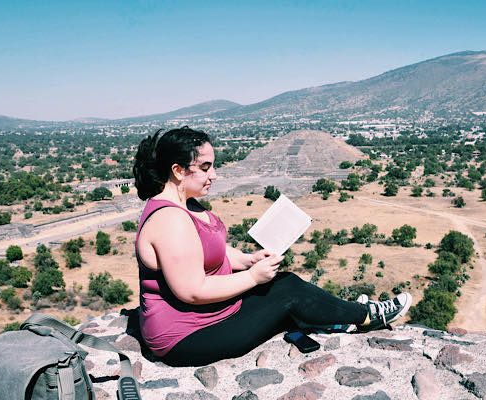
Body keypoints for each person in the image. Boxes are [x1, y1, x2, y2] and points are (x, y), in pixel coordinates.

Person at [132, 126, 412, 367]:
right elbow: (192, 291)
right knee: (287, 293)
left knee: (284, 283)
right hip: (185, 337)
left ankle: (344, 314)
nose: (214, 175)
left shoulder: (186, 205)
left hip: (210, 316)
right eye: (205, 167)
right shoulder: (170, 220)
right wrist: (253, 277)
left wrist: (248, 260)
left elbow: (209, 250)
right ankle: (366, 316)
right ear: (178, 171)